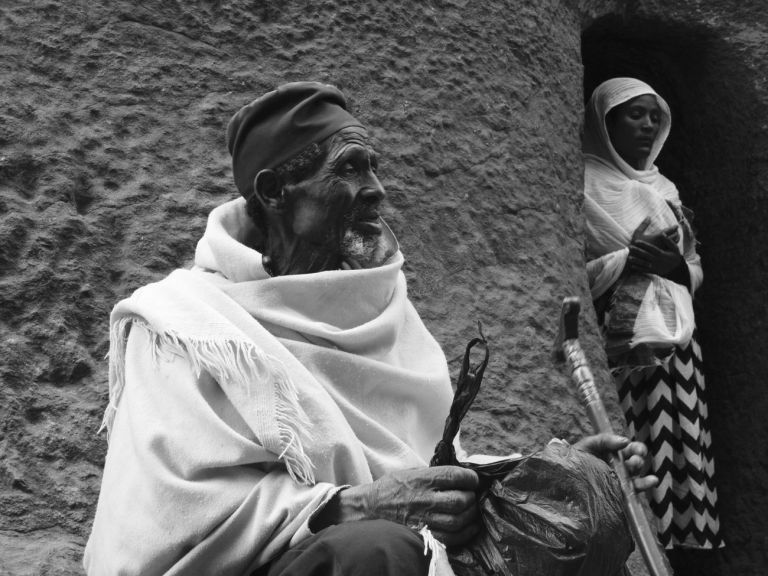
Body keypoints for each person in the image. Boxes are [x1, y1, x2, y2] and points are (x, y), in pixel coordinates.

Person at [84, 81, 654, 576]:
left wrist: (534, 479)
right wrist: (351, 508)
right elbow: (172, 518)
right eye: (350, 169)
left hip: (405, 553)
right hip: (282, 564)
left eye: (374, 168)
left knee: (577, 509)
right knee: (376, 551)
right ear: (275, 192)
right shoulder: (184, 325)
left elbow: (419, 470)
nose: (378, 189)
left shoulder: (377, 308)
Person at [582, 77, 724, 553]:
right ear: (605, 121)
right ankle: (631, 547)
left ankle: (676, 549)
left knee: (680, 450)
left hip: (679, 346)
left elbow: (695, 271)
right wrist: (628, 260)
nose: (647, 125)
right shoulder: (585, 181)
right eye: (633, 114)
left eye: (654, 116)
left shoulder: (665, 188)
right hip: (625, 346)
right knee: (632, 446)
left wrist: (673, 266)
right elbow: (570, 271)